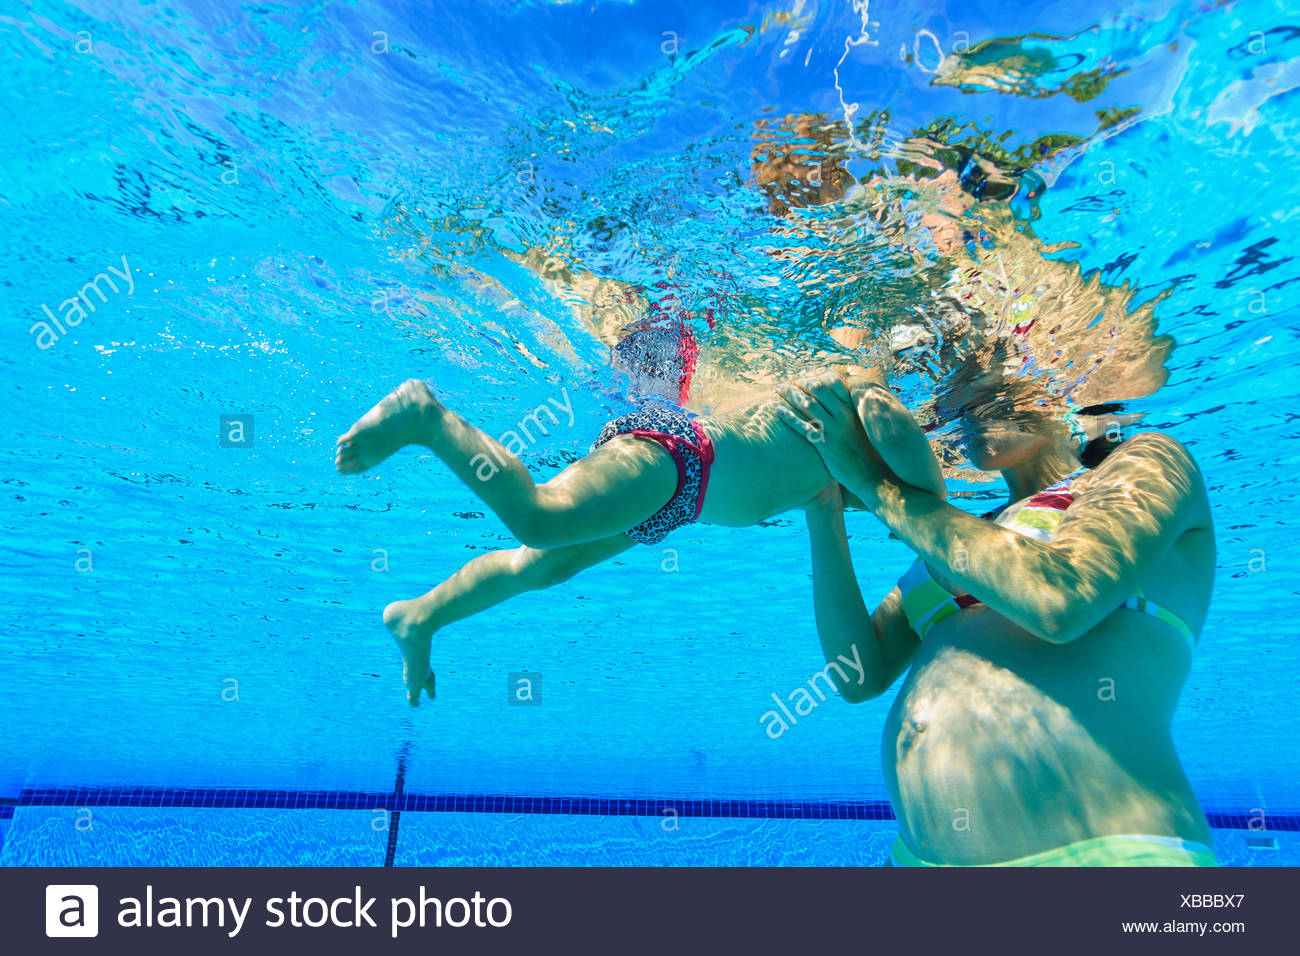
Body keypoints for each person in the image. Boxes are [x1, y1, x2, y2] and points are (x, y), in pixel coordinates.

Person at [775, 366, 1218, 867]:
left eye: (992, 384)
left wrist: (872, 482)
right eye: (957, 398)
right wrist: (824, 506)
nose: (966, 401)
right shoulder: (969, 532)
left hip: (1103, 853)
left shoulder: (1147, 461)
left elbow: (1060, 599)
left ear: (1061, 388)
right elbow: (859, 674)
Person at [335, 373, 945, 707]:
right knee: (540, 519)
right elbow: (913, 470)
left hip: (681, 496)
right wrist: (928, 517)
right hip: (680, 458)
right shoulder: (876, 416)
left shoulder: (845, 452)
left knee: (541, 566)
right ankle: (426, 417)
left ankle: (420, 617)